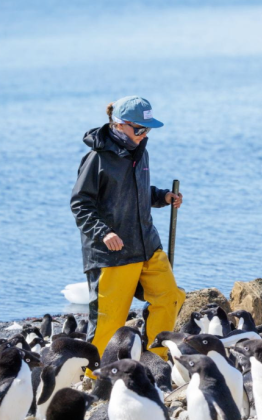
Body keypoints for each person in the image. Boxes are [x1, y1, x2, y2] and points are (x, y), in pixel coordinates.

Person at [71, 95, 185, 358]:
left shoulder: (139, 152)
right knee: (109, 321)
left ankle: (157, 360)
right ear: (119, 124)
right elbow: (80, 204)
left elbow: (137, 193)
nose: (144, 135)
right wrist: (104, 232)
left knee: (170, 298)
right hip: (112, 254)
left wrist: (162, 197)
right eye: (139, 129)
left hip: (147, 244)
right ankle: (94, 375)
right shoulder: (96, 159)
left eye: (148, 129)